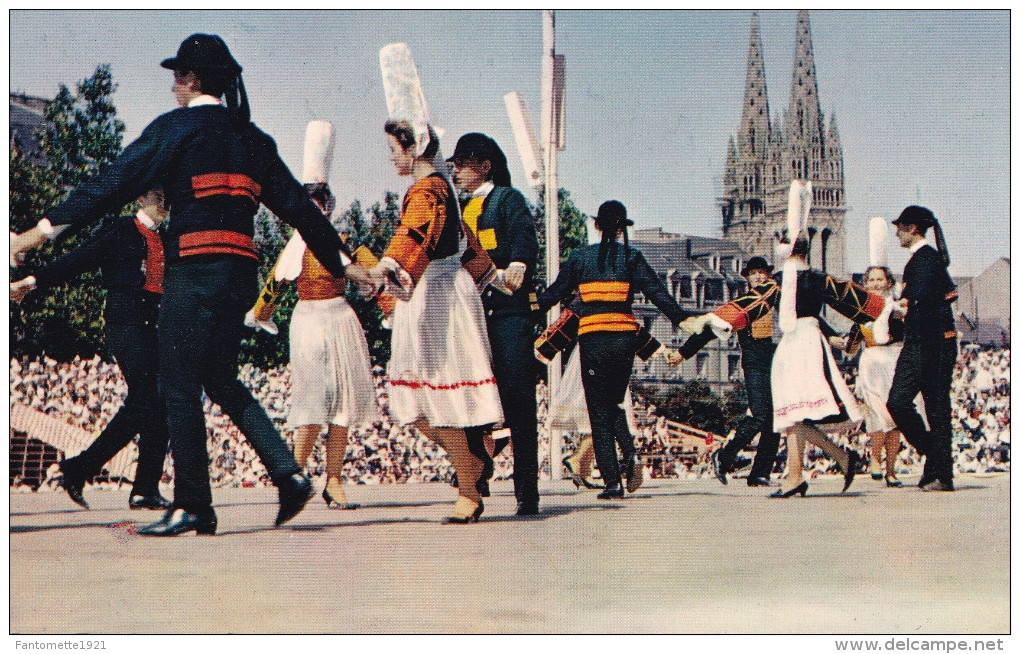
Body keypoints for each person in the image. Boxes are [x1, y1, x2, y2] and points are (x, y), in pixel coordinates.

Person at [10, 34, 373, 536]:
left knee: (177, 384)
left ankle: (194, 505)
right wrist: (348, 265)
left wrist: (37, 234)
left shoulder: (175, 129)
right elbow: (297, 209)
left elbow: (109, 184)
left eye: (178, 76)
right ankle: (288, 473)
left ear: (193, 79)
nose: (174, 86)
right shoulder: (254, 139)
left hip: (195, 270)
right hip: (240, 274)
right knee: (220, 378)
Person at [10, 190, 172, 511]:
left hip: (155, 324)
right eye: (159, 197)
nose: (166, 205)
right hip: (125, 322)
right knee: (146, 398)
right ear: (140, 198)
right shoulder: (120, 229)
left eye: (169, 199)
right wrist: (33, 281)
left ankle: (144, 489)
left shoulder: (166, 238)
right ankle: (81, 468)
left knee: (160, 401)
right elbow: (77, 260)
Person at [374, 119, 502, 523]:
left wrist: (385, 270)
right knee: (424, 401)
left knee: (437, 398)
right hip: (439, 292)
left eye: (395, 149)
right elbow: (464, 241)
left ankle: (469, 490)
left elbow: (415, 235)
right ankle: (475, 458)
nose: (392, 157)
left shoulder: (428, 190)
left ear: (414, 149)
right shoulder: (441, 188)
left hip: (438, 296)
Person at [246, 123, 377, 510]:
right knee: (312, 401)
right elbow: (275, 284)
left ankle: (334, 479)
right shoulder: (295, 247)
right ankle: (296, 473)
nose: (318, 208)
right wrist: (259, 314)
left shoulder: (340, 243)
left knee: (342, 405)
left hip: (341, 320)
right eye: (311, 202)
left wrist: (384, 298)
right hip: (309, 322)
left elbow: (362, 272)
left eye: (323, 201)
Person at [537, 200, 691, 499]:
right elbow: (658, 293)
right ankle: (630, 455)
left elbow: (554, 294)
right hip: (624, 337)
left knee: (599, 411)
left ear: (596, 226)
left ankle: (612, 481)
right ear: (622, 229)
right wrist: (681, 319)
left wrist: (523, 305)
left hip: (593, 337)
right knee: (614, 403)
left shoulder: (580, 257)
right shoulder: (632, 256)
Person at [448, 133, 541, 516]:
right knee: (470, 402)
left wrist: (518, 262)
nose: (454, 170)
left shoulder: (507, 199)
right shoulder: (453, 206)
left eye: (461, 163)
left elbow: (523, 233)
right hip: (467, 316)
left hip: (507, 314)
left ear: (484, 166)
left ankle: (527, 491)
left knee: (518, 404)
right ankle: (475, 484)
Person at [672, 256, 782, 487]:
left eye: (763, 272)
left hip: (774, 364)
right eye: (754, 273)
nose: (760, 276)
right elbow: (710, 330)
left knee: (776, 420)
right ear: (747, 278)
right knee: (760, 415)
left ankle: (761, 473)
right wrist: (683, 352)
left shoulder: (773, 299)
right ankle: (723, 456)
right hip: (753, 365)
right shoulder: (741, 305)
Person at [768, 234, 864, 498]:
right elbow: (842, 304)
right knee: (794, 415)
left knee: (793, 413)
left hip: (795, 344)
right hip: (811, 339)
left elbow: (751, 307)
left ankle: (796, 476)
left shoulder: (777, 280)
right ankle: (839, 458)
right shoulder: (819, 278)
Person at [886, 206, 958, 492]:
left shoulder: (924, 261)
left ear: (912, 228)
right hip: (934, 341)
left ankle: (937, 464)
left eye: (900, 227)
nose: (896, 233)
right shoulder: (925, 260)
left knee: (904, 403)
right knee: (935, 408)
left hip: (928, 342)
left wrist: (898, 311)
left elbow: (918, 305)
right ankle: (939, 468)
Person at [844, 265, 907, 487]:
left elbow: (904, 335)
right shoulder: (862, 310)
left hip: (894, 362)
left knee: (895, 419)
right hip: (871, 365)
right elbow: (851, 348)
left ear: (889, 282)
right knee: (877, 416)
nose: (876, 283)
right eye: (871, 280)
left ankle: (891, 470)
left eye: (880, 279)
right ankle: (875, 460)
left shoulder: (897, 307)